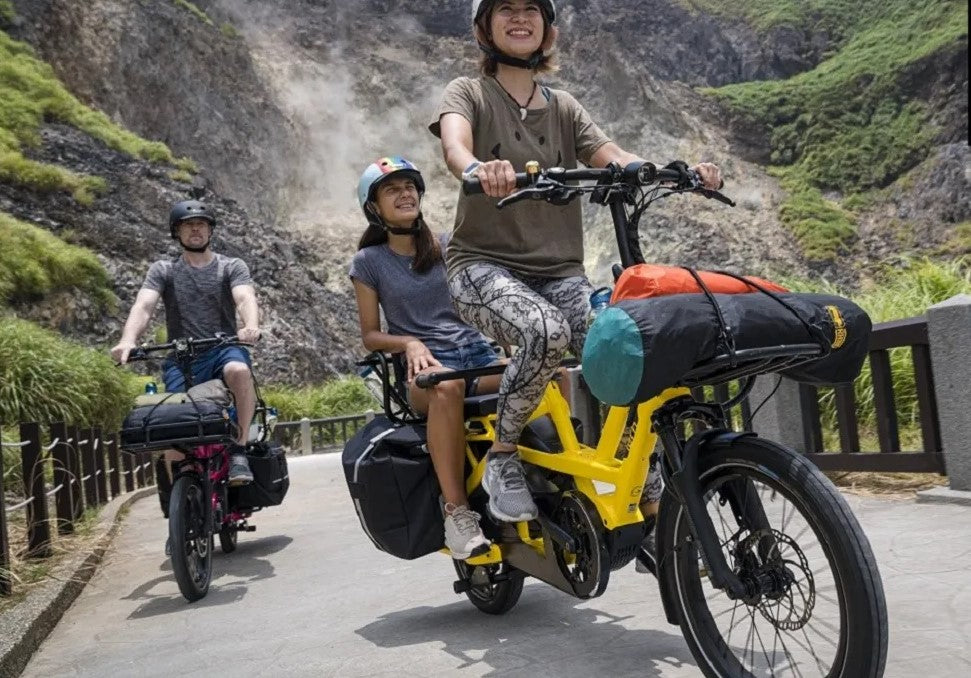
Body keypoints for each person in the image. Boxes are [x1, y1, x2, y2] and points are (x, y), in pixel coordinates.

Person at [429, 0, 722, 528]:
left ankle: (642, 477)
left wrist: (678, 172)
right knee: (543, 330)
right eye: (506, 10)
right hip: (481, 267)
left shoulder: (563, 106)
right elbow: (455, 146)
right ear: (483, 27)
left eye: (530, 10)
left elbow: (611, 155)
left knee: (629, 339)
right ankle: (503, 457)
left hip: (560, 272)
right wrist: (478, 168)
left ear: (547, 29)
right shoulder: (467, 92)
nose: (520, 18)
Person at [349, 156, 503, 559]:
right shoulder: (369, 262)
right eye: (391, 189)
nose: (404, 193)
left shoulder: (448, 244)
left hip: (476, 355)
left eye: (409, 186)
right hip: (425, 372)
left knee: (545, 374)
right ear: (374, 208)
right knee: (446, 385)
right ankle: (457, 514)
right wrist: (409, 343)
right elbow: (369, 335)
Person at [111, 199, 262, 493]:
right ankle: (183, 500)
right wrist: (128, 341)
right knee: (174, 434)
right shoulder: (164, 270)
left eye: (202, 224)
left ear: (210, 231)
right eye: (188, 225)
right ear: (176, 232)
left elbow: (244, 298)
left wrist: (250, 325)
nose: (196, 229)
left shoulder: (231, 266)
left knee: (239, 370)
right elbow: (144, 306)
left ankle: (239, 450)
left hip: (223, 347)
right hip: (182, 358)